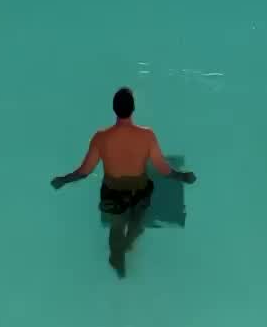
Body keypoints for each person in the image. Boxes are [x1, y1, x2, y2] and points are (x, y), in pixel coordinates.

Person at [52, 87, 196, 277]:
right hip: (139, 190)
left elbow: (84, 172)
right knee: (137, 223)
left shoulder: (101, 138)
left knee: (117, 225)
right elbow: (163, 169)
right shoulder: (147, 136)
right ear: (133, 108)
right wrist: (183, 177)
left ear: (113, 109)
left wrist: (63, 180)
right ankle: (128, 243)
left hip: (113, 191)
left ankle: (117, 260)